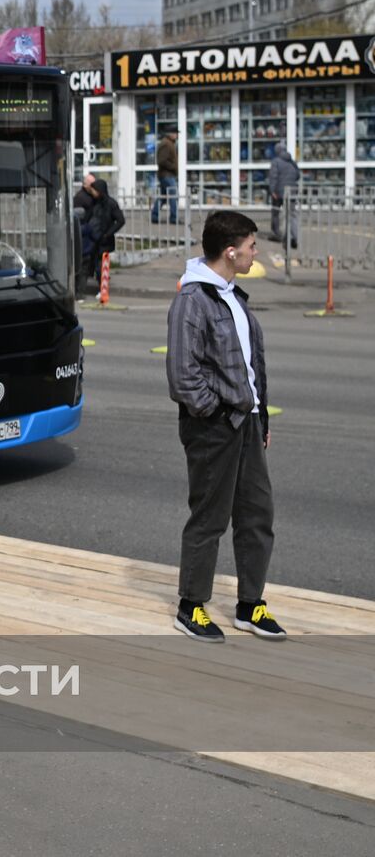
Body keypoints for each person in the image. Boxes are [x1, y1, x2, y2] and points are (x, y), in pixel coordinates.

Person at [165, 210, 284, 644]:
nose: (257, 252)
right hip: (215, 426)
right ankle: (190, 605)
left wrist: (260, 417)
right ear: (230, 251)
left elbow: (252, 369)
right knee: (209, 519)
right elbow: (183, 374)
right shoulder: (193, 300)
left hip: (247, 423)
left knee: (257, 516)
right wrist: (216, 413)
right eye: (252, 246)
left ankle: (250, 606)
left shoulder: (232, 295)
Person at [82, 177, 125, 289]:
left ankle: (103, 289)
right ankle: (98, 287)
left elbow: (120, 220)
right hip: (93, 241)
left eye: (94, 190)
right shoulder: (94, 202)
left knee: (101, 267)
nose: (93, 192)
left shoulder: (111, 204)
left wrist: (108, 234)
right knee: (92, 265)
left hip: (105, 241)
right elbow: (89, 217)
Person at [267, 143, 301, 249]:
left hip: (279, 192)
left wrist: (272, 191)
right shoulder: (292, 162)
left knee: (276, 213)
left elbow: (273, 177)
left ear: (277, 151)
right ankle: (294, 237)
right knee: (292, 215)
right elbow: (297, 175)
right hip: (292, 192)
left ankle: (277, 234)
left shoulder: (276, 162)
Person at [152, 130, 178, 225]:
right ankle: (173, 218)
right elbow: (162, 161)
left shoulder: (169, 143)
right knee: (173, 195)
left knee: (163, 197)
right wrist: (173, 166)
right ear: (169, 134)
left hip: (168, 175)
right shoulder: (166, 144)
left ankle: (154, 215)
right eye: (175, 133)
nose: (176, 135)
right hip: (167, 175)